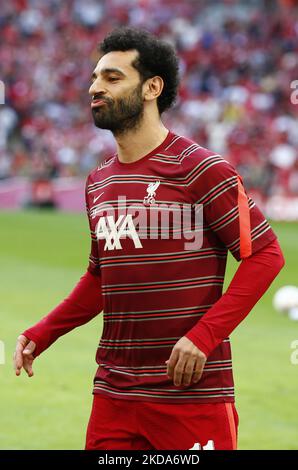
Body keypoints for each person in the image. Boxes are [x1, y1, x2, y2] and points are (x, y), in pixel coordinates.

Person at [13, 27, 285, 450]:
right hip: (114, 395)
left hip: (191, 394)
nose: (95, 87)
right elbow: (101, 278)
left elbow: (266, 255)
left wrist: (204, 336)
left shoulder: (202, 169)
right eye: (94, 78)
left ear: (152, 87)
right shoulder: (97, 182)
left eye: (112, 77)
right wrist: (43, 332)